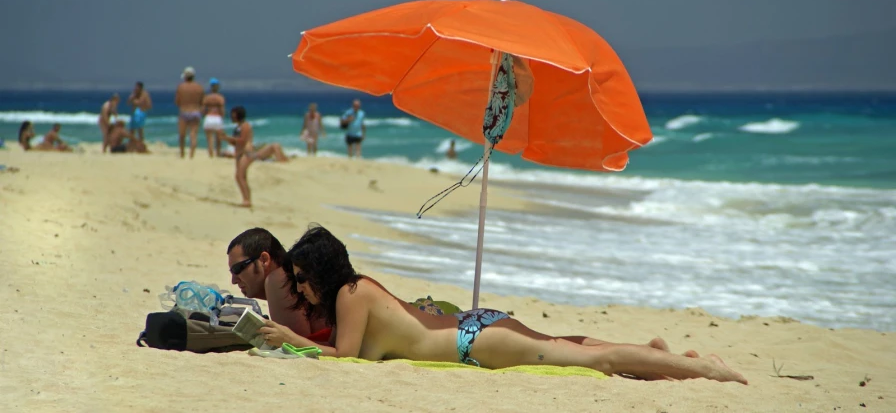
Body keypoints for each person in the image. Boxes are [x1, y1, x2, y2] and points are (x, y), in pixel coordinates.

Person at [258, 225, 748, 384]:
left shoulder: (350, 295)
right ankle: (656, 353)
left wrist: (289, 339)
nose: (300, 288)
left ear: (322, 270)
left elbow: (345, 359)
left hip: (477, 342)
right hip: (477, 326)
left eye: (302, 278)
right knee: (574, 344)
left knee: (593, 359)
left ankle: (707, 370)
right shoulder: (358, 288)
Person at [226, 228, 331, 342]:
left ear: (264, 260)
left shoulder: (277, 279)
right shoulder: (287, 276)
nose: (234, 280)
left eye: (237, 269)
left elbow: (295, 345)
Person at [218, 106, 288, 207]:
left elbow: (243, 141)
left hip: (246, 153)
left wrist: (227, 137)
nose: (231, 117)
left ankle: (247, 200)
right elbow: (236, 143)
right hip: (239, 154)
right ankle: (246, 199)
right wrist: (225, 138)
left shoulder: (245, 126)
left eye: (233, 115)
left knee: (240, 176)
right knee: (240, 177)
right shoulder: (238, 127)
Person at [174, 66, 205, 159]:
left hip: (184, 111)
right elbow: (202, 102)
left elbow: (177, 102)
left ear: (185, 77)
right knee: (193, 135)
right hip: (196, 111)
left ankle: (182, 153)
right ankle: (192, 155)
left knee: (182, 135)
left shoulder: (181, 87)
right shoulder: (199, 87)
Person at [201, 78, 226, 158]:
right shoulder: (220, 98)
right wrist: (222, 116)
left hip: (209, 117)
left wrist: (204, 115)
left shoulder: (207, 97)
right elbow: (222, 110)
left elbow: (203, 109)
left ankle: (211, 154)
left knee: (210, 139)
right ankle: (218, 153)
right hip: (217, 118)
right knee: (219, 138)